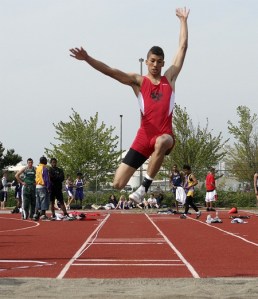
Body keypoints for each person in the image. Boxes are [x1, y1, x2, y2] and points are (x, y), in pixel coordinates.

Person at [69, 7, 189, 204]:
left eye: (159, 62)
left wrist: (183, 21)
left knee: (161, 142)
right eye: (152, 61)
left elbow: (182, 47)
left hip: (165, 135)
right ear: (147, 60)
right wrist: (88, 59)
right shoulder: (139, 81)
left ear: (163, 63)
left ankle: (144, 187)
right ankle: (139, 185)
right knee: (118, 183)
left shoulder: (170, 78)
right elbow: (111, 71)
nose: (155, 65)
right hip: (144, 137)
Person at [33, 156, 51, 221]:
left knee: (38, 201)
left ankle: (36, 214)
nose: (46, 161)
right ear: (44, 161)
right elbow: (46, 179)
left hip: (37, 186)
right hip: (42, 186)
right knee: (44, 200)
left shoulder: (37, 168)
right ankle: (43, 215)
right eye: (46, 160)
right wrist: (49, 187)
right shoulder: (44, 168)